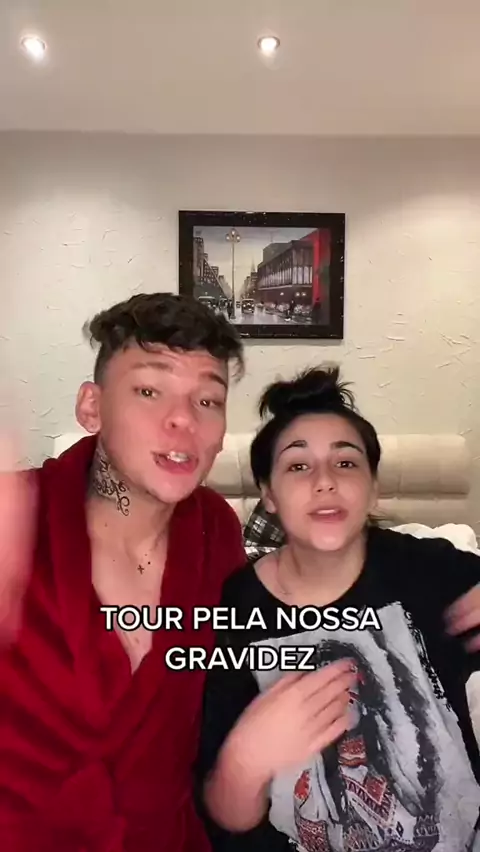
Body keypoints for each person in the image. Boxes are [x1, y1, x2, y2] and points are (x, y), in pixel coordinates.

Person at [0, 292, 248, 852]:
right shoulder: (15, 515)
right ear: (92, 407)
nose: (183, 419)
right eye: (149, 391)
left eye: (208, 400)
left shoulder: (217, 532)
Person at [196, 366, 480, 852]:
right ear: (268, 494)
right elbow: (225, 817)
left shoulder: (429, 568)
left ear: (373, 487)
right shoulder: (232, 608)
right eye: (298, 466)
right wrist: (244, 763)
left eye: (346, 462)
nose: (325, 481)